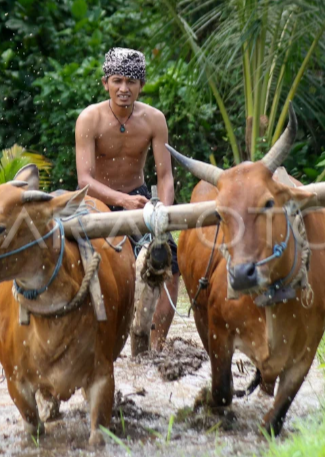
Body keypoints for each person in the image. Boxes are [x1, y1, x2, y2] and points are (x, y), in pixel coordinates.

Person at [75, 47, 179, 351]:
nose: (124, 88)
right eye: (117, 80)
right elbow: (84, 180)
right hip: (96, 200)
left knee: (168, 261)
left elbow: (165, 176)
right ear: (105, 82)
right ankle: (92, 336)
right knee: (77, 260)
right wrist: (121, 200)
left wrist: (163, 212)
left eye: (131, 82)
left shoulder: (154, 120)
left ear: (141, 86)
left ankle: (154, 344)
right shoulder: (89, 119)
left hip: (140, 199)